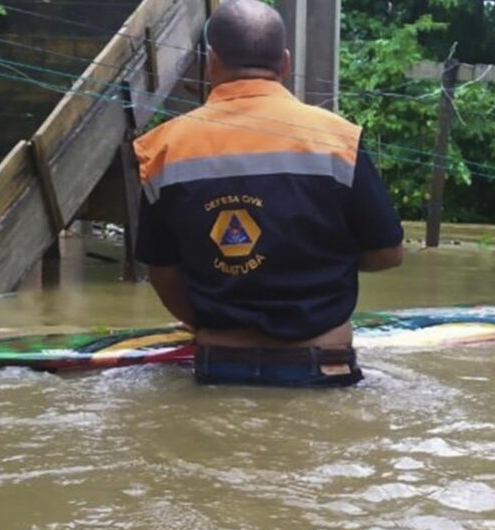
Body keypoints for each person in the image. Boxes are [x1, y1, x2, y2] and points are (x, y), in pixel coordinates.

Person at [132, 0, 403, 387]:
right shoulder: (339, 140)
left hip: (218, 366)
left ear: (212, 63)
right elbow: (388, 253)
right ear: (286, 63)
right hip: (325, 364)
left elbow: (162, 270)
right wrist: (316, 258)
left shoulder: (162, 149)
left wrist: (207, 312)